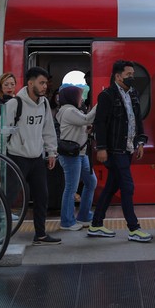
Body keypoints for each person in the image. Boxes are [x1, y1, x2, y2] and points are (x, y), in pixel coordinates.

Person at [89, 60, 152, 242]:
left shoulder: (133, 94)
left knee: (111, 186)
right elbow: (100, 123)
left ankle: (96, 225)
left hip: (128, 148)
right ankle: (134, 228)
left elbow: (137, 121)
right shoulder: (107, 96)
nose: (132, 77)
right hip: (114, 149)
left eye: (133, 74)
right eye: (128, 74)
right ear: (118, 76)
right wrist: (101, 148)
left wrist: (140, 142)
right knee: (127, 186)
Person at [3, 66, 61, 246]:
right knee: (8, 198)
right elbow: (3, 132)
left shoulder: (44, 104)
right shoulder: (14, 104)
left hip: (36, 158)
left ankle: (40, 234)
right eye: (41, 83)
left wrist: (51, 152)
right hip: (16, 157)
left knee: (42, 197)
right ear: (30, 83)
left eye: (46, 83)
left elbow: (48, 129)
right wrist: (1, 157)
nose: (45, 86)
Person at [56, 86, 97, 231]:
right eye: (79, 96)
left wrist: (87, 129)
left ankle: (84, 215)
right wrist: (98, 104)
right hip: (71, 155)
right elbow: (87, 119)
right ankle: (67, 221)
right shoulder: (69, 111)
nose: (82, 99)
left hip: (80, 153)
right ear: (72, 97)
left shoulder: (73, 111)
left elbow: (81, 124)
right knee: (71, 188)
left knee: (91, 182)